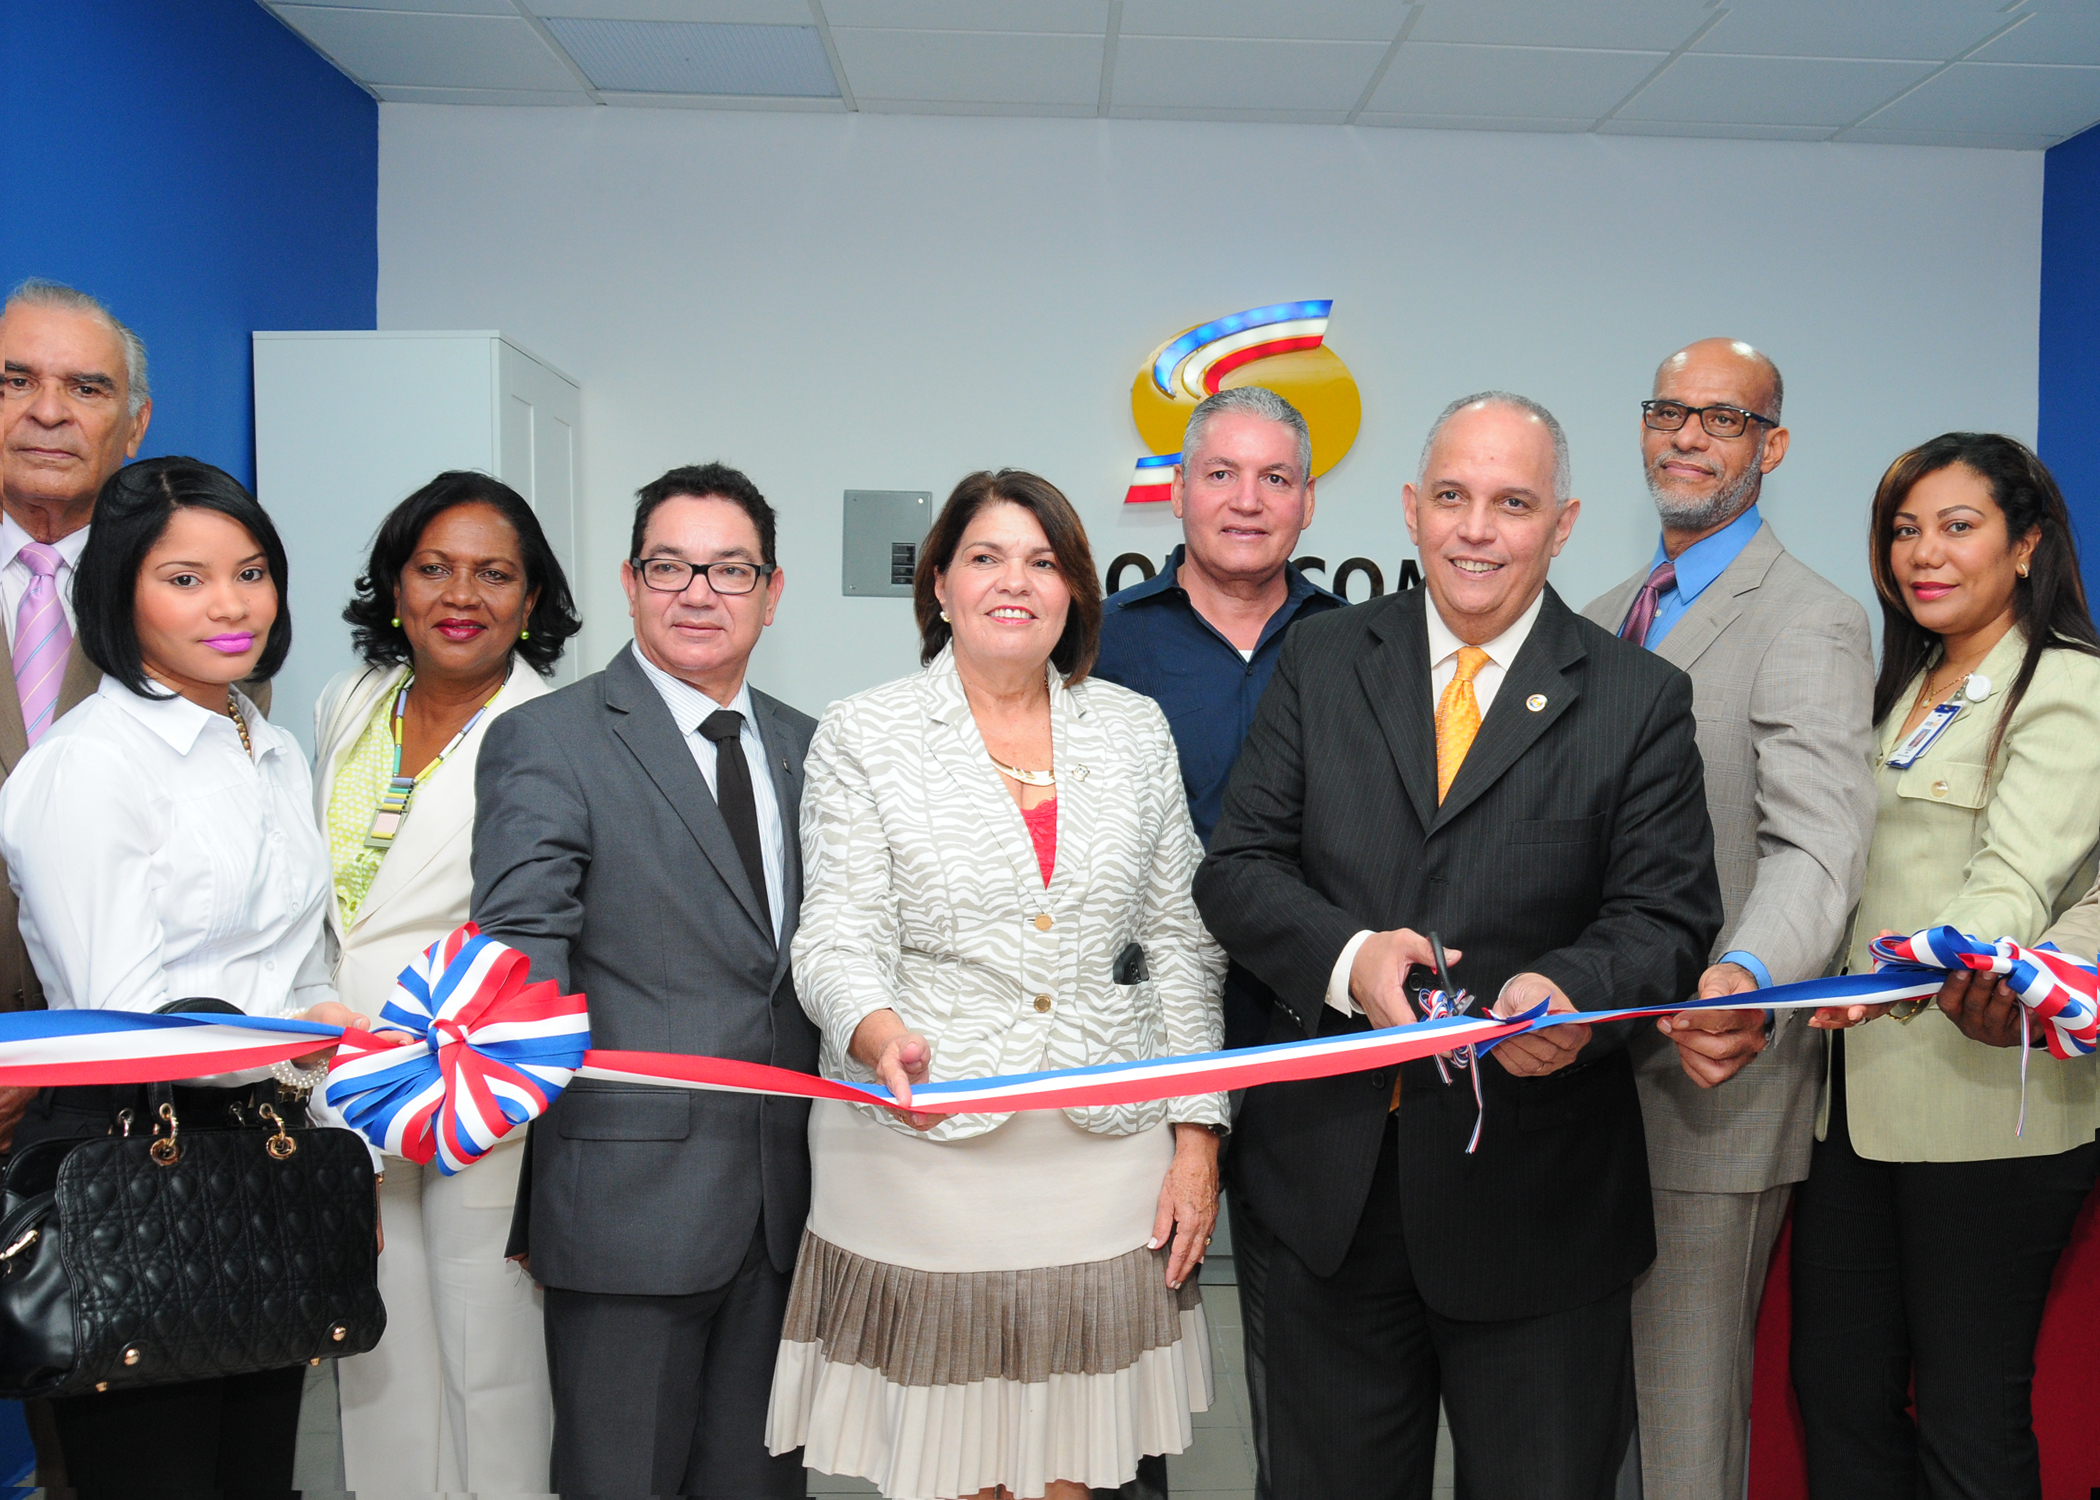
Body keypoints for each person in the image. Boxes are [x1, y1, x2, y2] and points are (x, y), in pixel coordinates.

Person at [1194, 392, 1723, 1500]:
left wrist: (1568, 990)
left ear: (1565, 523)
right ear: (1409, 509)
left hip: (1539, 1212)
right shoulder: (1322, 660)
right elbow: (1236, 869)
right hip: (1327, 1205)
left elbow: (1666, 916)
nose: (1476, 530)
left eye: (1512, 503)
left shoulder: (1638, 700)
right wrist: (1351, 960)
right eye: (1452, 497)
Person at [766, 468, 1226, 1500]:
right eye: (985, 557)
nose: (1014, 582)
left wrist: (1198, 1135)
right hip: (922, 1143)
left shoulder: (1133, 728)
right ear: (938, 585)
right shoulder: (864, 732)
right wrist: (878, 1034)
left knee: (1074, 1465)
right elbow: (834, 934)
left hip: (1105, 1151)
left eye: (1043, 560)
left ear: (1073, 592)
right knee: (957, 1468)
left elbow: (1183, 942)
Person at [0, 455, 366, 1497]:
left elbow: (301, 958)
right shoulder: (86, 765)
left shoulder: (270, 745)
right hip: (134, 1160)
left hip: (268, 1152)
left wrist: (333, 1052)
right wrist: (296, 1037)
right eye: (187, 578)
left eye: (251, 572)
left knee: (258, 1475)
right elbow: (127, 1019)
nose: (231, 605)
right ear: (118, 591)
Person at [472, 461, 816, 1497]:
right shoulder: (548, 738)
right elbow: (521, 948)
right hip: (627, 1207)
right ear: (629, 581)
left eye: (729, 569)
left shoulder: (812, 746)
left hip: (788, 1204)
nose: (698, 592)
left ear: (772, 590)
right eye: (670, 565)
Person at [1579, 339, 1876, 1500]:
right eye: (1669, 412)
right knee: (1587, 1417)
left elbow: (1819, 841)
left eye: (1724, 418)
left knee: (1685, 1424)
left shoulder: (1810, 619)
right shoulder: (1603, 617)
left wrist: (1743, 974)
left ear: (1774, 445)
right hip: (1586, 1075)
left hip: (1715, 1077)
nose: (1689, 437)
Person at [1793, 433, 2100, 1500]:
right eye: (1905, 530)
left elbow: (2011, 884)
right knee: (1837, 1401)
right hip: (1851, 1114)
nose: (1924, 553)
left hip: (1992, 1118)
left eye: (1958, 527)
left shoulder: (2065, 686)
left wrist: (1901, 975)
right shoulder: (1901, 683)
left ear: (2027, 546)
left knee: (1969, 1418)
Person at [1094, 383, 1341, 1500]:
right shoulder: (1099, 644)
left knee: (1313, 1352)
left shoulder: (1360, 645)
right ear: (1180, 490)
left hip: (1311, 1040)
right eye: (1223, 474)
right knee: (1117, 1345)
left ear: (1309, 502)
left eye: (1275, 477)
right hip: (1140, 1040)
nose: (1248, 500)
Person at [317, 472, 581, 1496]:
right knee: (373, 1338)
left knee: (489, 1345)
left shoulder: (557, 731)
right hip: (345, 1068)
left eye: (494, 574)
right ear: (396, 584)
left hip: (482, 1081)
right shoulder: (349, 702)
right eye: (434, 567)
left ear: (530, 600)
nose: (460, 594)